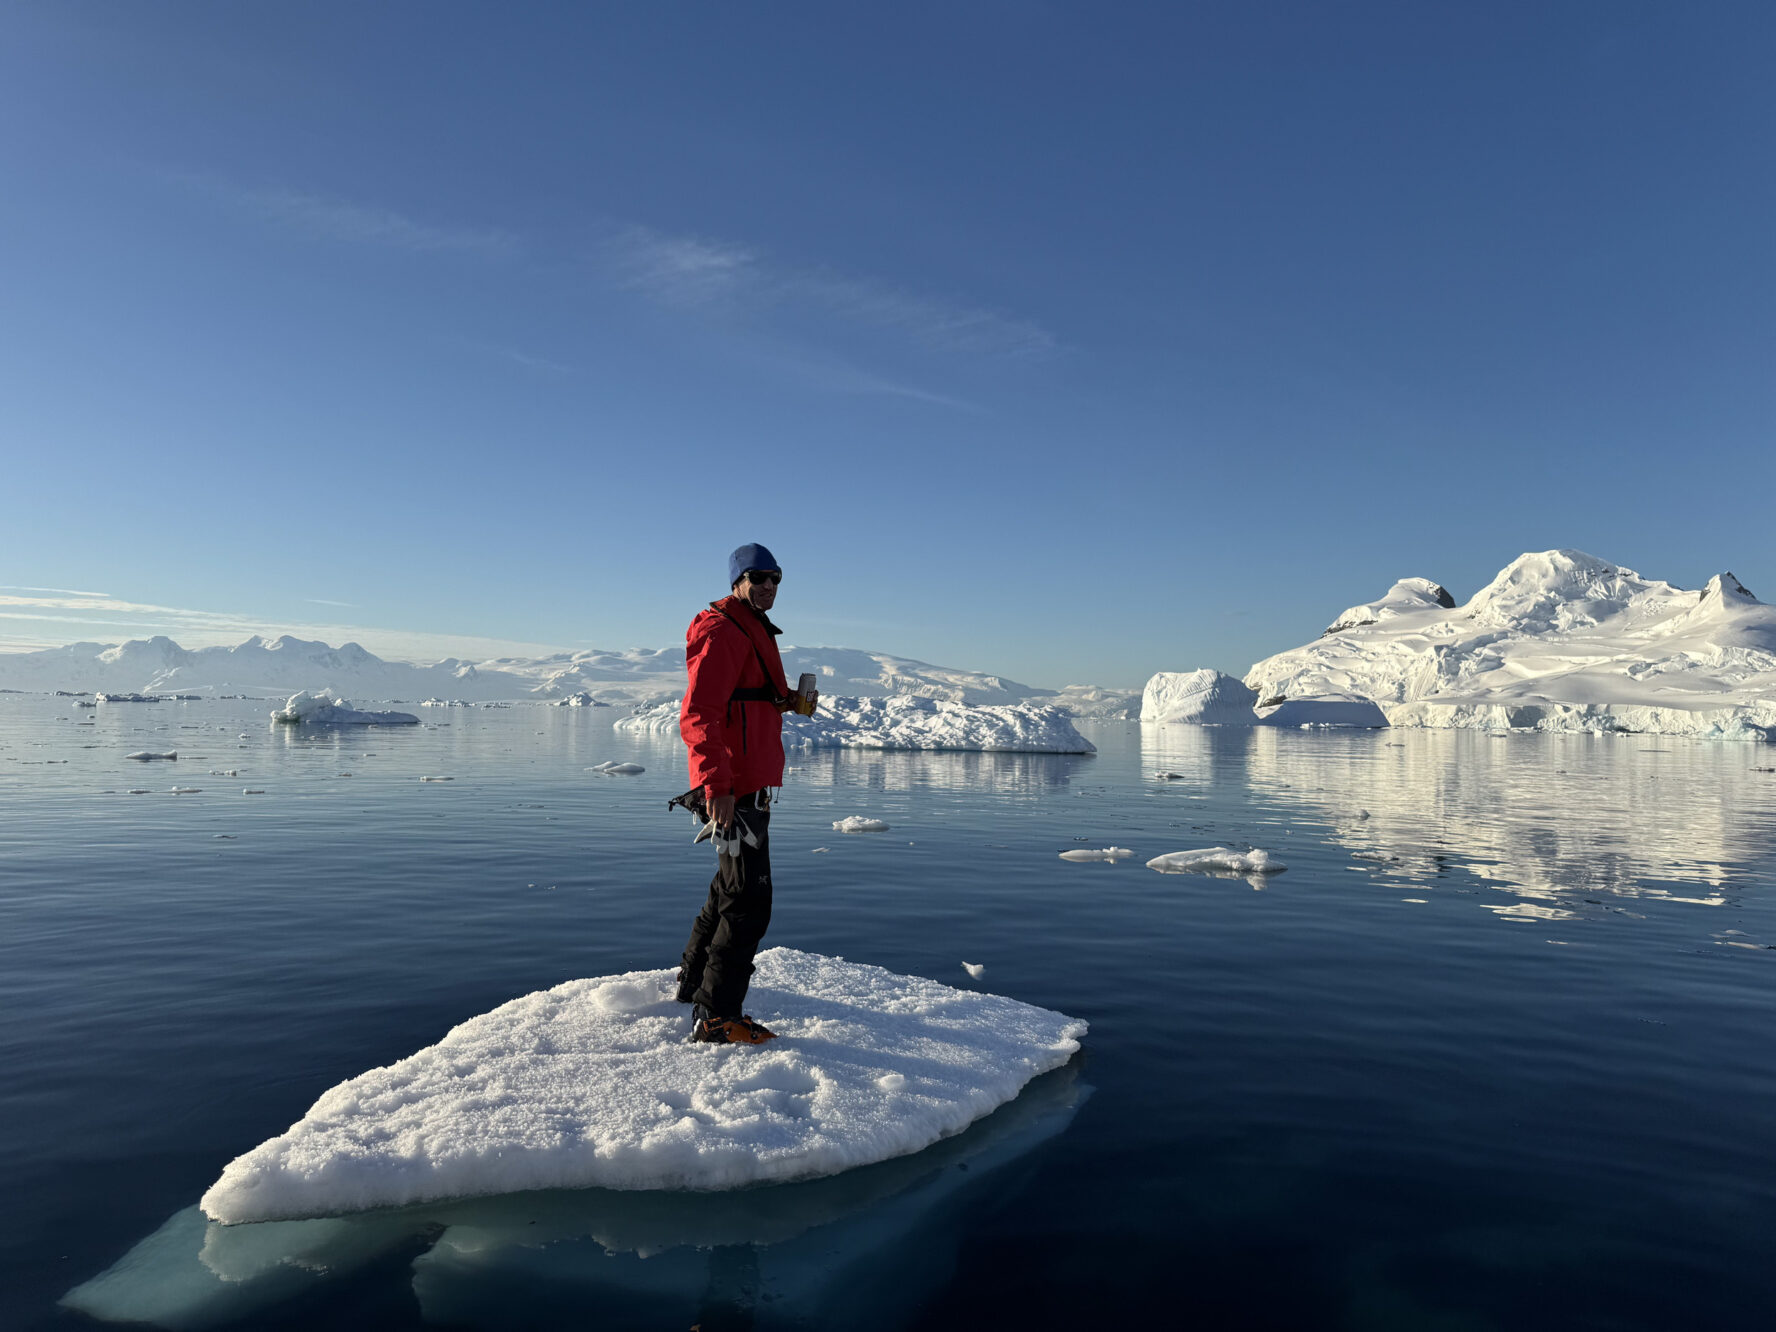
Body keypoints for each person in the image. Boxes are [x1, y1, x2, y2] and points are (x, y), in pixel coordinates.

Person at [675, 542, 816, 1044]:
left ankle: (693, 984)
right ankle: (717, 1016)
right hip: (733, 785)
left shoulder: (749, 625)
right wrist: (716, 784)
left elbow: (743, 701)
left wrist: (786, 703)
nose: (769, 587)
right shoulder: (722, 629)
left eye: (777, 578)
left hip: (745, 782)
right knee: (749, 903)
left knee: (728, 889)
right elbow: (698, 714)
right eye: (759, 578)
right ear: (738, 580)